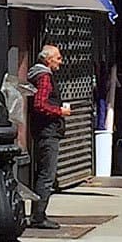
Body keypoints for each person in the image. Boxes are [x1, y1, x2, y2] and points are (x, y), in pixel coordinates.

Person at [26, 44, 71, 231]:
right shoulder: (44, 77)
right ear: (47, 59)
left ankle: (38, 213)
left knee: (44, 173)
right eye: (58, 58)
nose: (60, 61)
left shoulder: (38, 75)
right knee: (47, 174)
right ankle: (38, 216)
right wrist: (60, 111)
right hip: (48, 131)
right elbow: (40, 104)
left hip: (43, 130)